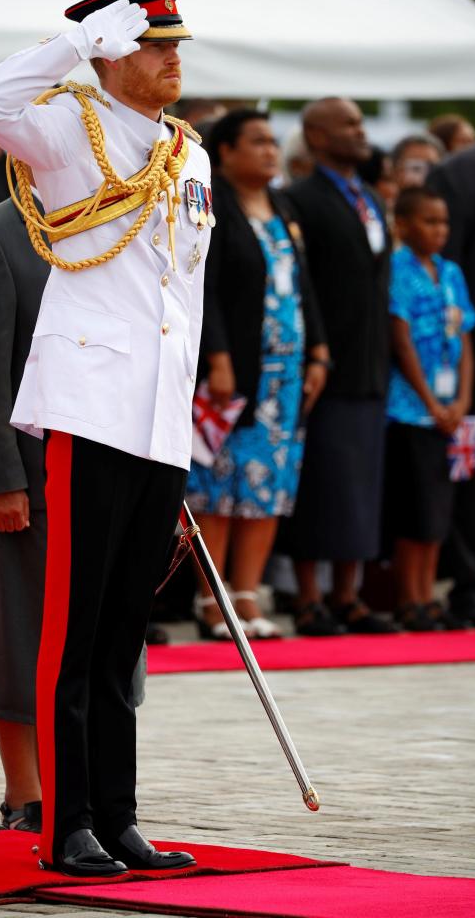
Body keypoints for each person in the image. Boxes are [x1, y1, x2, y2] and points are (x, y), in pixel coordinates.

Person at [0, 0, 209, 878]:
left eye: (178, 45)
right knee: (70, 628)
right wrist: (75, 45)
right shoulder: (70, 129)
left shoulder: (190, 154)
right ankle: (66, 824)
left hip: (156, 419)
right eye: (156, 45)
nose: (174, 58)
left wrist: (188, 430)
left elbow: (182, 294)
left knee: (121, 633)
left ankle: (120, 813)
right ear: (116, 54)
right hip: (89, 406)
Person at [0, 184, 147, 832]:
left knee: (102, 637)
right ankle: (26, 794)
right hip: (31, 479)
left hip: (112, 468)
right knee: (21, 637)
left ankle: (87, 789)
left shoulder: (116, 228)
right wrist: (1, 479)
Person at [186, 109, 329, 639]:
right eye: (258, 141)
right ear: (226, 151)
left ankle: (247, 599)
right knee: (220, 487)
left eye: (274, 142)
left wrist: (318, 352)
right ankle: (212, 600)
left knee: (269, 486)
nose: (271, 150)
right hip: (236, 371)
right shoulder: (212, 203)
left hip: (285, 376)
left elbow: (303, 286)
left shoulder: (283, 206)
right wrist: (217, 358)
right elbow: (207, 287)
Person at [281, 98, 398, 636]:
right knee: (321, 482)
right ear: (318, 137)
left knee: (361, 483)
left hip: (372, 364)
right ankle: (309, 598)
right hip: (325, 363)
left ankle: (348, 595)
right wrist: (316, 351)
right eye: (348, 124)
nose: (360, 131)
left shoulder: (370, 198)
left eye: (360, 121)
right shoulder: (300, 200)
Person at [385, 187, 475, 630]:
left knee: (441, 508)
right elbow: (401, 342)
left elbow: (465, 342)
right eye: (429, 221)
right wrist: (430, 402)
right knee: (415, 508)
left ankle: (428, 598)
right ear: (403, 224)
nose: (439, 231)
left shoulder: (451, 273)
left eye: (444, 223)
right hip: (411, 410)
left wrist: (460, 400)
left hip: (450, 412)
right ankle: (410, 598)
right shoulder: (397, 270)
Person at [427, 136, 475, 627]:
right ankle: (471, 587)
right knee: (473, 480)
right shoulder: (461, 173)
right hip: (474, 356)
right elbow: (451, 269)